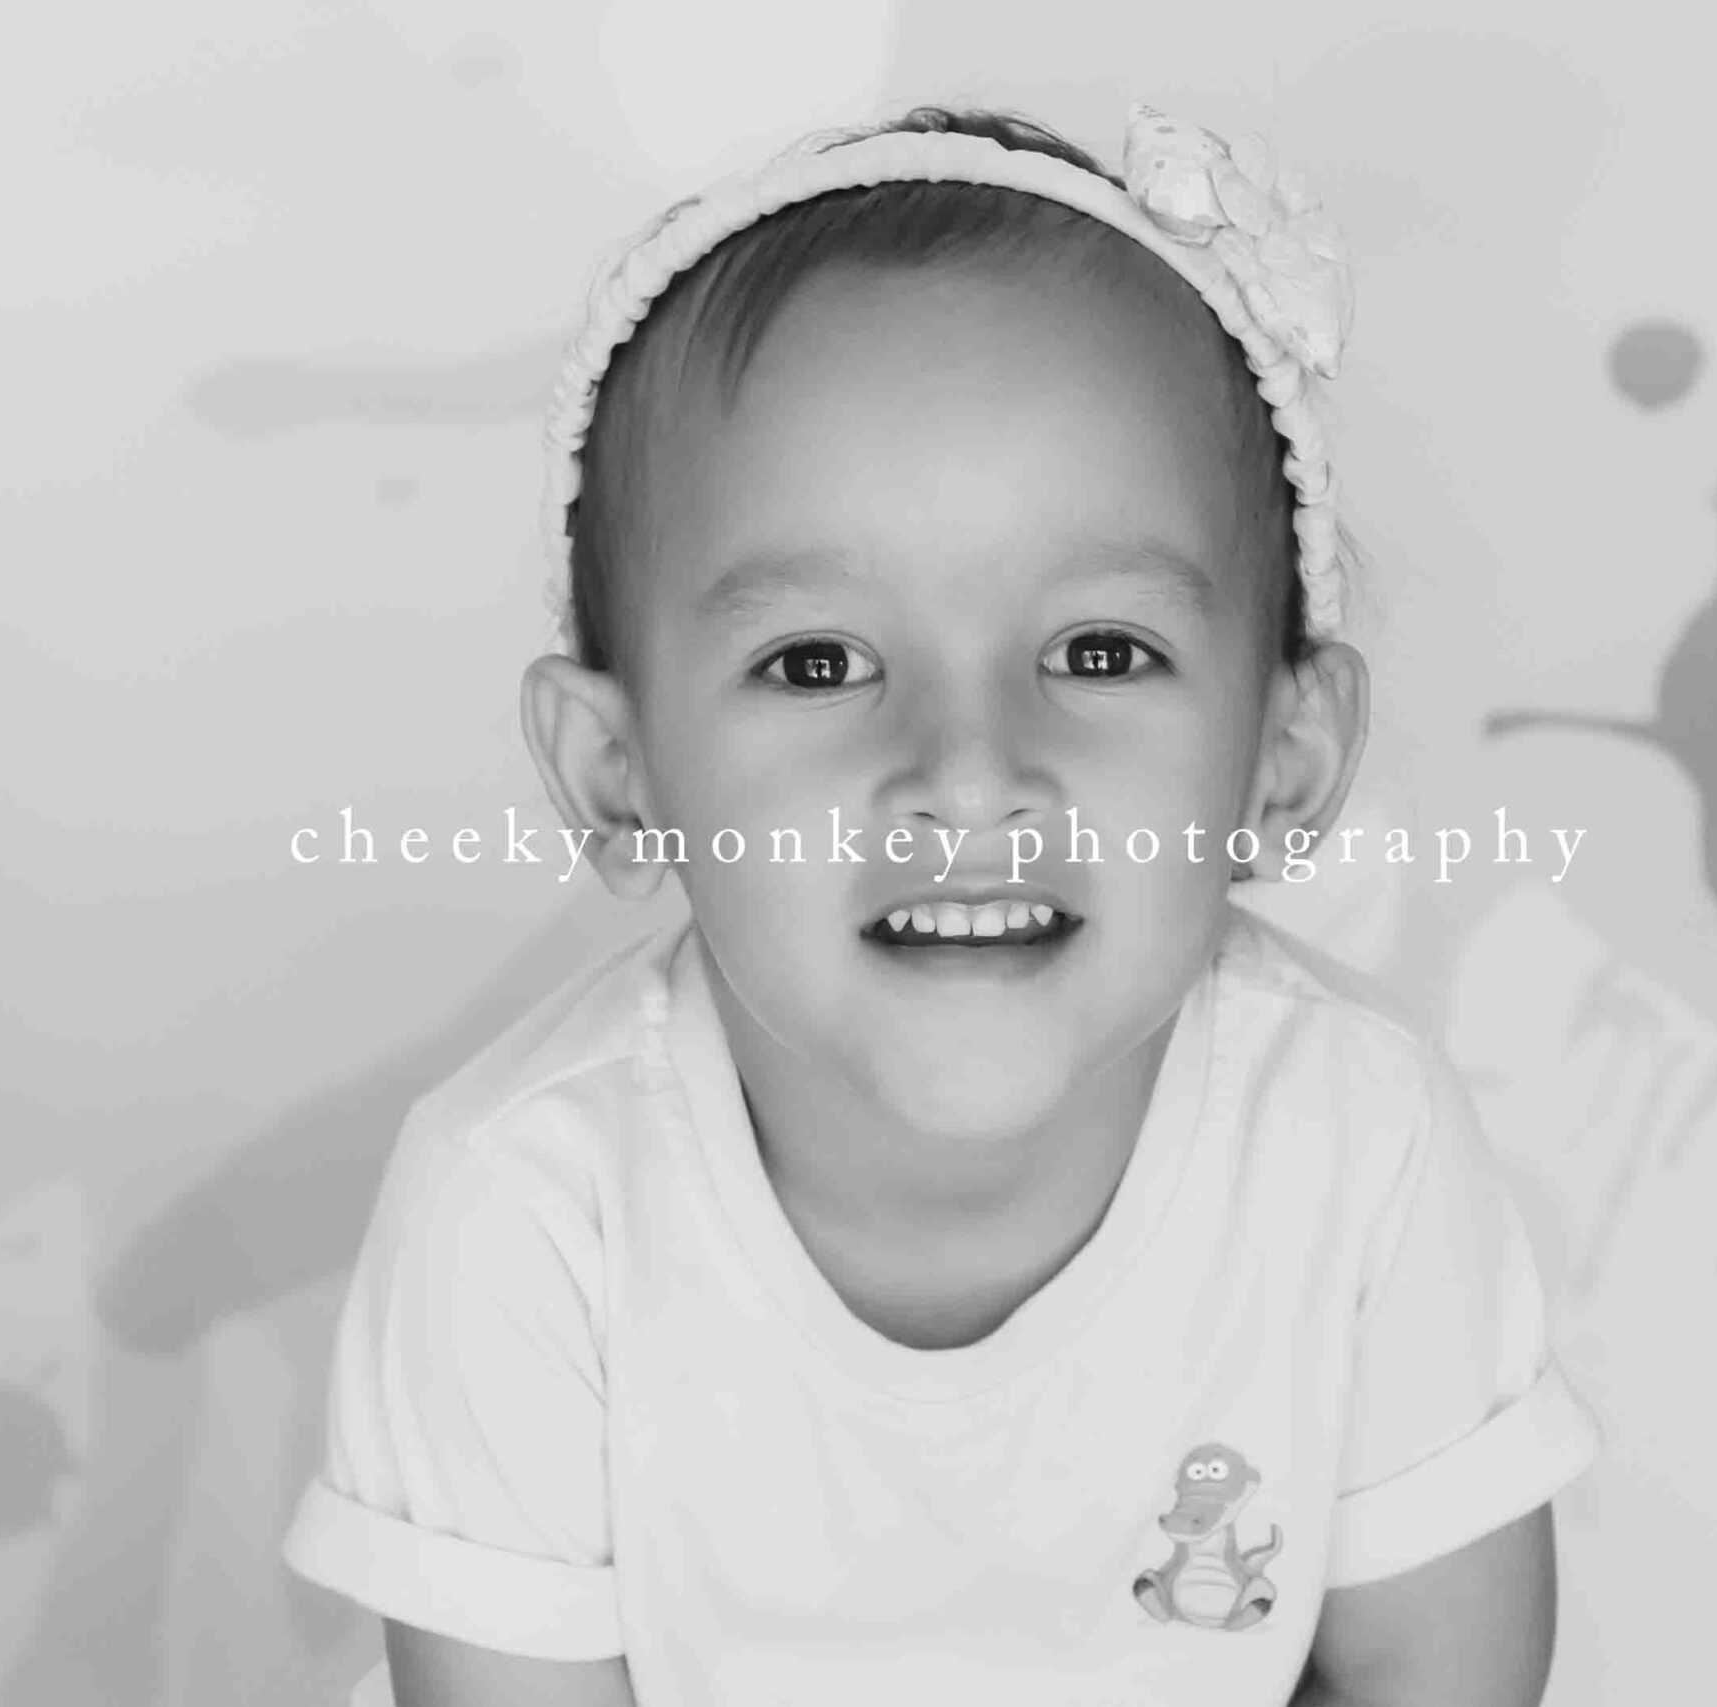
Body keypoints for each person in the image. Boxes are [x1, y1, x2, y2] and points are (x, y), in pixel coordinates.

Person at [280, 100, 1600, 1707]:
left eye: (1099, 652)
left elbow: (1435, 1679)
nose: (969, 777)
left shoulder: (1356, 1143)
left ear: (1285, 755)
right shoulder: (527, 1212)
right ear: (621, 776)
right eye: (816, 664)